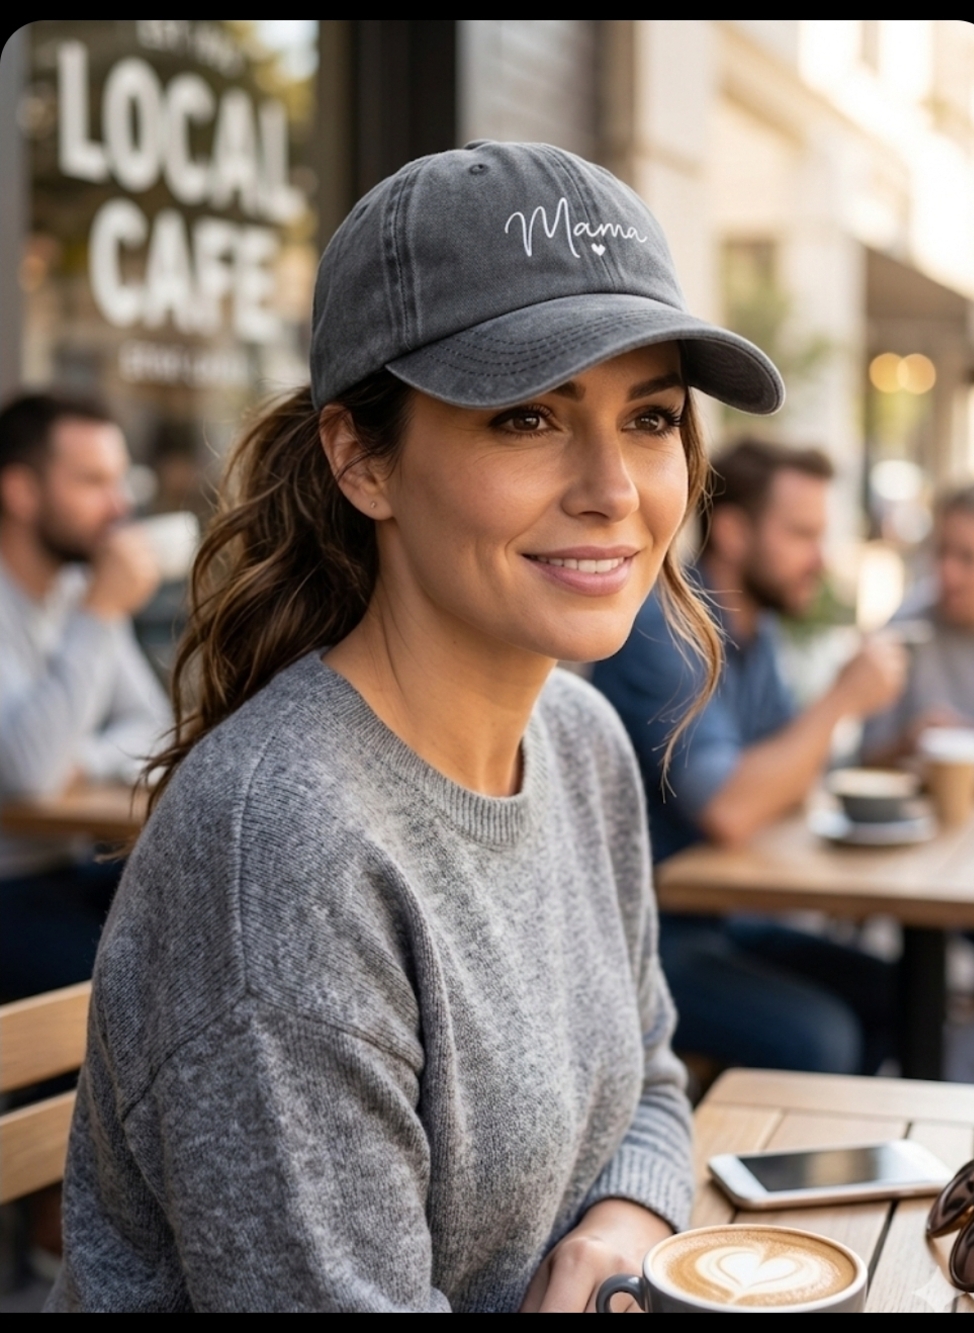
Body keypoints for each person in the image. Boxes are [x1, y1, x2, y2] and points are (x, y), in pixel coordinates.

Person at [50, 142, 785, 1313]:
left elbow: (648, 1076)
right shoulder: (287, 851)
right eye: (527, 417)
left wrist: (619, 1225)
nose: (613, 487)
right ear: (360, 459)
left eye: (648, 418)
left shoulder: (582, 740)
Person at [593, 439, 907, 1074]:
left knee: (900, 994)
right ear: (733, 532)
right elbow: (733, 809)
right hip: (649, 937)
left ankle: (869, 1167)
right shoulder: (666, 624)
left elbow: (793, 778)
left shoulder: (754, 633)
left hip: (724, 918)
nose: (820, 559)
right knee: (821, 1037)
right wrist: (843, 700)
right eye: (802, 535)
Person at [0, 393, 169, 1001]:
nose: (119, 506)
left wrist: (89, 761)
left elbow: (158, 725)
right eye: (94, 482)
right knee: (140, 989)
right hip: (9, 885)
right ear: (21, 491)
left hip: (71, 867)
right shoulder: (92, 598)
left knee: (207, 928)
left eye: (119, 481)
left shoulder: (76, 589)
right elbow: (28, 773)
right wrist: (101, 610)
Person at [863, 479, 974, 1003]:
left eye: (968, 558)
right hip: (921, 859)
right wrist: (906, 743)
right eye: (941, 553)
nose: (948, 573)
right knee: (909, 987)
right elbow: (860, 766)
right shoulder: (907, 628)